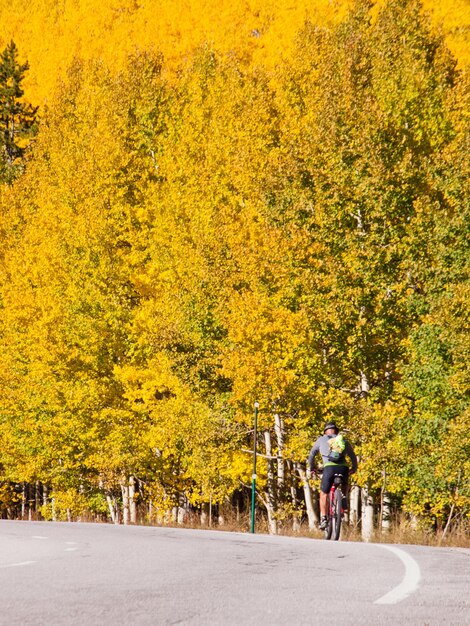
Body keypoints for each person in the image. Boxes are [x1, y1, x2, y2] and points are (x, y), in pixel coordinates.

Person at [307, 421, 358, 530]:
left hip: (329, 468)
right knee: (344, 482)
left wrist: (312, 467)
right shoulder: (343, 440)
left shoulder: (321, 440)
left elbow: (311, 455)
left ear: (325, 432)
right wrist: (354, 467)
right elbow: (352, 455)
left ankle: (324, 518)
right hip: (343, 468)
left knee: (324, 493)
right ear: (337, 431)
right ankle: (344, 496)